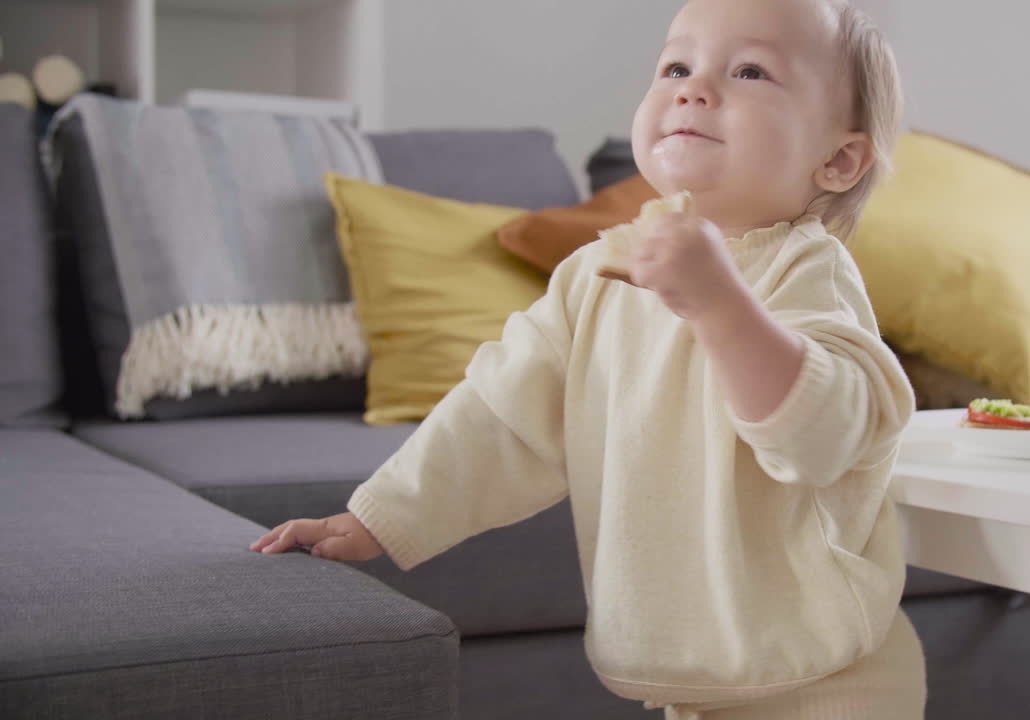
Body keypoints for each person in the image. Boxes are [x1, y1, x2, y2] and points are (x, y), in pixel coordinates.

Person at [251, 0, 925, 716]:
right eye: (675, 65)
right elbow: (500, 417)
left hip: (827, 676)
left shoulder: (807, 271)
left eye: (751, 70)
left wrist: (721, 305)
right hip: (689, 680)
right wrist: (378, 518)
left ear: (839, 159)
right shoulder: (595, 276)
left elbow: (826, 434)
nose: (693, 89)